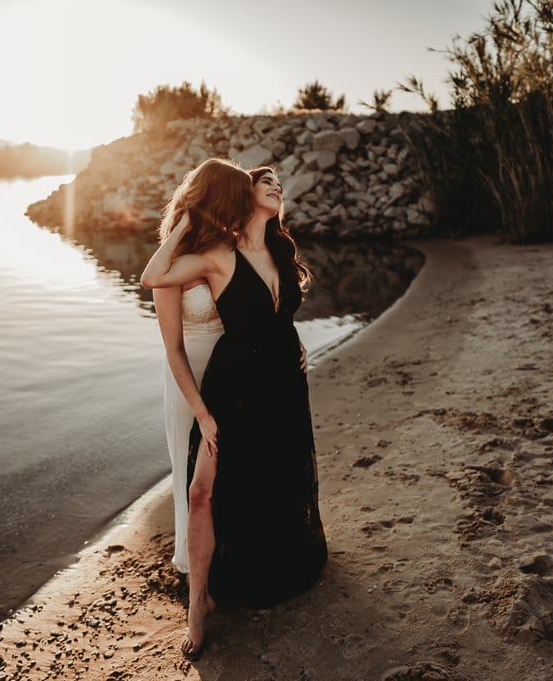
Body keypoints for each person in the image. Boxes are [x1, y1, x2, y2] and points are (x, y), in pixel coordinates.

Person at [141, 162, 327, 659]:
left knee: (268, 478)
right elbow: (153, 278)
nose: (275, 186)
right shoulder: (217, 255)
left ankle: (253, 565)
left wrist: (297, 344)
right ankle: (198, 603)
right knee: (201, 489)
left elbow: (277, 317)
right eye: (262, 182)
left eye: (276, 183)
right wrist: (182, 219)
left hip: (278, 381)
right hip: (224, 382)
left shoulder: (279, 251)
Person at [153, 160, 247, 574]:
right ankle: (193, 568)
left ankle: (230, 558)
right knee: (192, 470)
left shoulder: (230, 249)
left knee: (233, 469)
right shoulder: (171, 266)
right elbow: (173, 348)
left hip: (234, 374)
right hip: (189, 379)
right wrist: (201, 412)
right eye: (235, 201)